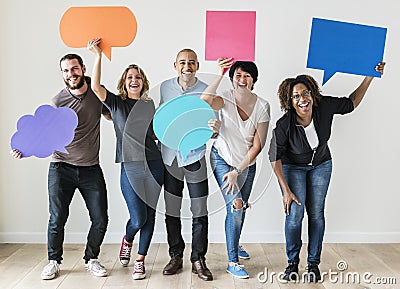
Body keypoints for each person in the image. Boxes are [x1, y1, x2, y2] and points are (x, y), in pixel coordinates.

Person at [268, 62, 386, 282]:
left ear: (312, 94)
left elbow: (351, 103)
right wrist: (285, 190)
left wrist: (370, 76)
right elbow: (273, 158)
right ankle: (292, 264)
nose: (302, 99)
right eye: (296, 96)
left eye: (305, 93)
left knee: (316, 214)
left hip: (322, 165)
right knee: (295, 216)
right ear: (290, 102)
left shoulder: (325, 106)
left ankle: (313, 264)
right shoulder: (284, 124)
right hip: (293, 168)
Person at [10, 53, 110, 280]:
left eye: (74, 69)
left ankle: (92, 259)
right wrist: (22, 148)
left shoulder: (97, 93)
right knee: (57, 217)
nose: (70, 74)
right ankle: (54, 261)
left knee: (100, 218)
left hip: (90, 168)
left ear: (83, 69)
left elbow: (111, 116)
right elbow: (41, 135)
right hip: (60, 168)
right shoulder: (57, 102)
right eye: (66, 71)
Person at [88, 38, 164, 280]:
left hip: (154, 165)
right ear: (124, 81)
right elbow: (96, 87)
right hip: (129, 167)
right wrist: (98, 56)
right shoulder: (116, 103)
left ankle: (140, 260)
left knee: (150, 215)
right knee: (138, 217)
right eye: (130, 77)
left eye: (138, 77)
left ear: (143, 83)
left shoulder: (149, 105)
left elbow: (156, 133)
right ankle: (128, 238)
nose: (134, 80)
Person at [201, 58, 270, 278]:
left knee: (241, 207)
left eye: (247, 76)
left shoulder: (262, 106)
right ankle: (233, 261)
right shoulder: (225, 100)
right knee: (236, 205)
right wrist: (220, 73)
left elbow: (258, 145)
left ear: (253, 81)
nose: (242, 79)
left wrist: (238, 171)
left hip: (245, 164)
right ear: (232, 80)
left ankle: (235, 241)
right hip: (222, 159)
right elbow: (203, 101)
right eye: (238, 75)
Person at [160, 48, 220, 281]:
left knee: (199, 211)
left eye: (192, 62)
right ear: (175, 65)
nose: (188, 66)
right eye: (183, 62)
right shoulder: (165, 87)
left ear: (197, 65)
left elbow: (214, 126)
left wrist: (215, 130)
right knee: (172, 210)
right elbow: (160, 120)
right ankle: (176, 255)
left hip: (194, 158)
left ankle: (198, 259)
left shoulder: (207, 89)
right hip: (170, 159)